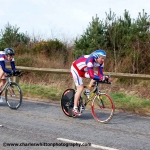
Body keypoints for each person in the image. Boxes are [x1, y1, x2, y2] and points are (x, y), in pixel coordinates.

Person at [70, 49, 111, 116]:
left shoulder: (101, 63)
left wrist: (105, 78)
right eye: (102, 58)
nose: (103, 60)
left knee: (96, 76)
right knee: (80, 87)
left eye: (104, 58)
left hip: (84, 70)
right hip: (76, 70)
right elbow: (91, 75)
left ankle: (87, 90)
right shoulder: (90, 60)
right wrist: (101, 78)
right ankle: (75, 108)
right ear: (97, 57)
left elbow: (100, 74)